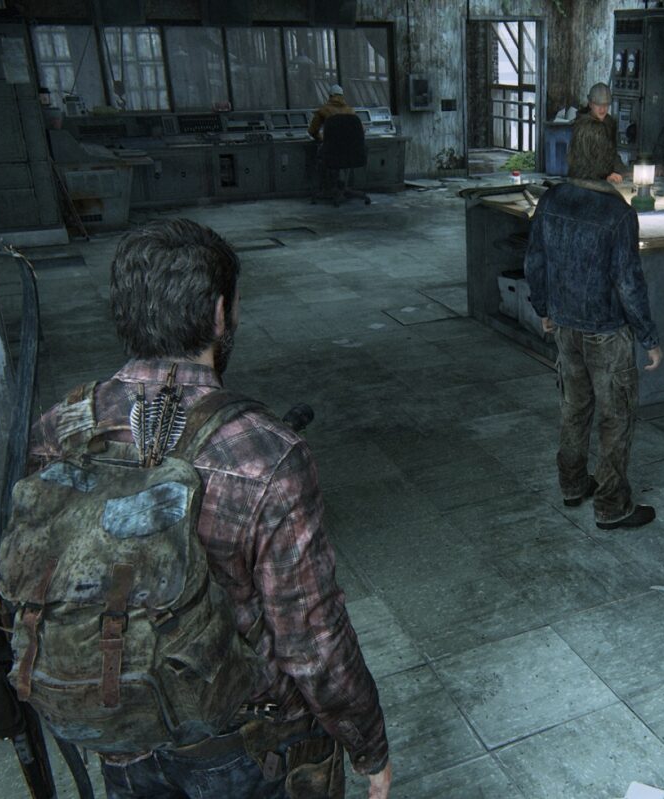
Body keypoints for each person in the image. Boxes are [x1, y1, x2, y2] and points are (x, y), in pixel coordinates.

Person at [25, 219, 393, 798]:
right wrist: (368, 743)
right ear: (220, 313)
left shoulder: (60, 427)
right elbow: (311, 638)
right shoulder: (265, 453)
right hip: (244, 742)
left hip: (124, 728)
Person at [523, 121, 663, 530]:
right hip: (607, 332)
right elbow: (628, 283)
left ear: (572, 155)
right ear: (607, 158)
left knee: (574, 409)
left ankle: (571, 485)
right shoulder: (618, 214)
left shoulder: (552, 200)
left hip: (565, 327)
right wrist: (649, 337)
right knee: (615, 417)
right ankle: (612, 506)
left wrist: (543, 306)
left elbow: (535, 261)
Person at [571, 82, 626, 184]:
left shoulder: (609, 123)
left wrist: (623, 172)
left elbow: (612, 154)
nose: (602, 109)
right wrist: (605, 178)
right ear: (591, 104)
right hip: (585, 180)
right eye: (598, 104)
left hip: (604, 178)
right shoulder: (584, 127)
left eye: (606, 105)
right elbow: (583, 163)